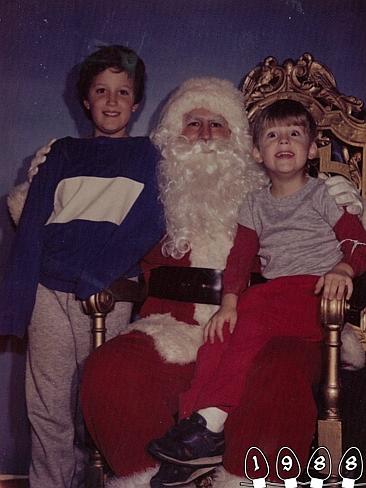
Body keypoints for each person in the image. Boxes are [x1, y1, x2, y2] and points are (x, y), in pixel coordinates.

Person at [77, 79, 363, 488]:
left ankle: (243, 477)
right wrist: (45, 178)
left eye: (218, 124)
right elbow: (94, 224)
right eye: (193, 123)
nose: (206, 135)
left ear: (239, 143)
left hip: (281, 317)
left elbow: (347, 236)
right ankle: (162, 474)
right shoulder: (151, 191)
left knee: (276, 372)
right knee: (110, 369)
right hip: (170, 323)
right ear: (174, 134)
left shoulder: (292, 191)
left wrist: (351, 224)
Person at [0, 45, 164, 488]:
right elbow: (33, 223)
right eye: (101, 91)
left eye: (123, 92)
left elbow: (149, 221)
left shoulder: (150, 156)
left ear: (137, 102)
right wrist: (16, 303)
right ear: (86, 100)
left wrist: (102, 274)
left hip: (107, 292)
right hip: (49, 290)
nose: (111, 101)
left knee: (101, 400)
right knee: (47, 403)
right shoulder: (62, 153)